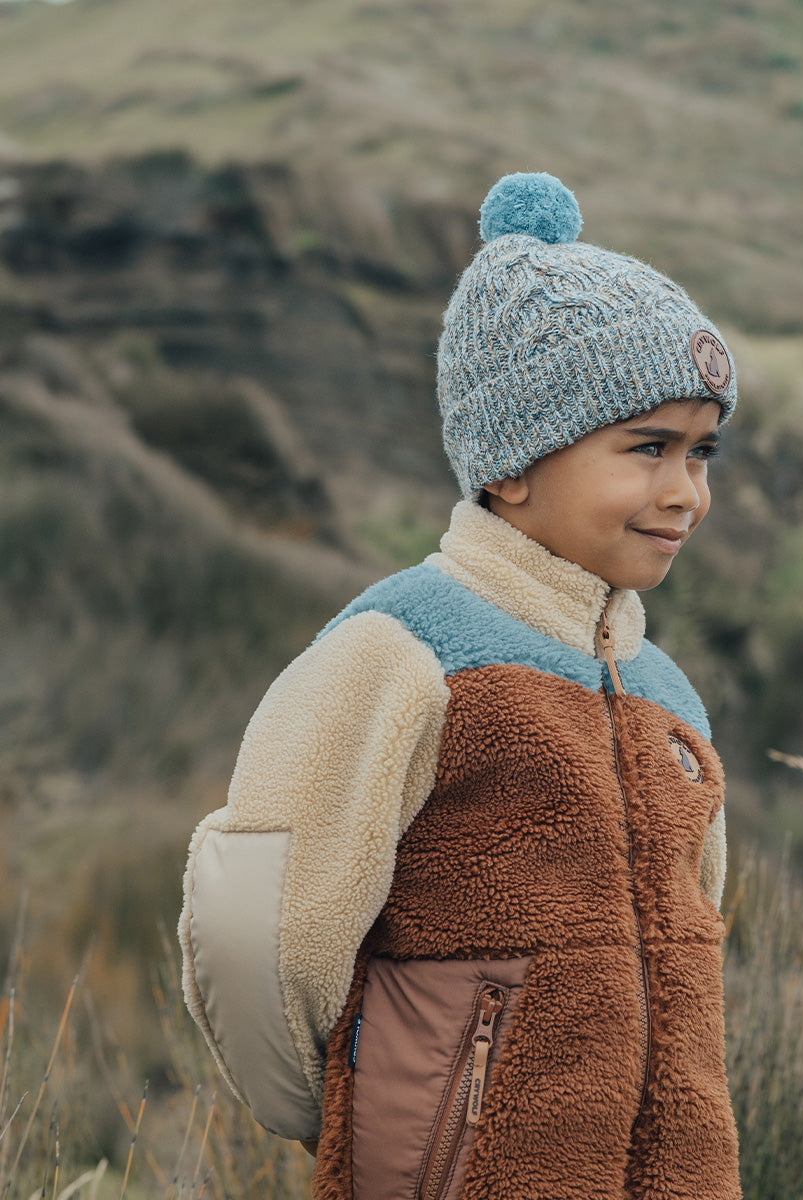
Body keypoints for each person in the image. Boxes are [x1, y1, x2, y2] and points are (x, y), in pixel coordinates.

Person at [179, 171, 742, 1200]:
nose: (684, 492)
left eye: (702, 452)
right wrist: (362, 1112)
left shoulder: (670, 700)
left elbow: (694, 944)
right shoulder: (404, 653)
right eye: (648, 448)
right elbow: (259, 926)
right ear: (514, 462)